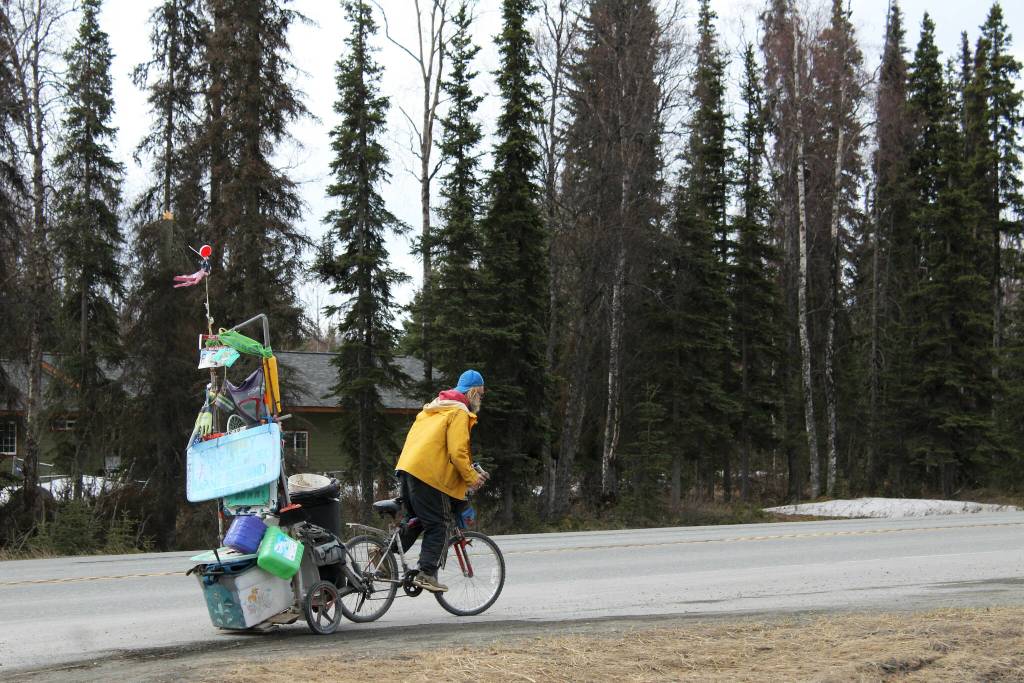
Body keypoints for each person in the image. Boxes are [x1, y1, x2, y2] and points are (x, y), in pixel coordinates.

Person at [393, 369, 489, 592]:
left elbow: (436, 448)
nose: (481, 400)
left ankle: (384, 560)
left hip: (407, 469)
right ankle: (426, 574)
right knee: (439, 524)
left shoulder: (434, 407)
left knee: (415, 520)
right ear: (473, 392)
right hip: (427, 475)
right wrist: (472, 478)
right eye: (481, 395)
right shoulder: (459, 412)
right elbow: (457, 452)